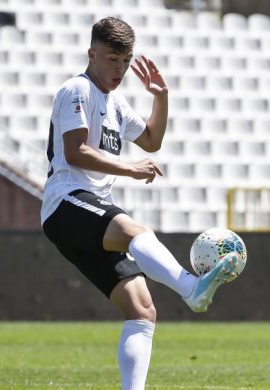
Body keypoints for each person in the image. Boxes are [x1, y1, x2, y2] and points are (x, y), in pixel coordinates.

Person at [40, 17, 240, 390]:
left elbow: (151, 140)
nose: (120, 69)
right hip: (66, 203)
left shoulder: (116, 101)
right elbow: (76, 151)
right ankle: (190, 288)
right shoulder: (77, 90)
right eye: (113, 58)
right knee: (135, 230)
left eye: (126, 61)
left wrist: (160, 97)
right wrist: (129, 169)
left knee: (143, 310)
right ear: (92, 54)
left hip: (89, 210)